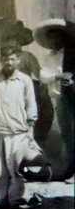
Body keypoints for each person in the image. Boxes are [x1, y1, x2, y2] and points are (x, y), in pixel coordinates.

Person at [0, 44, 38, 209]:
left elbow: (31, 105)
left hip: (19, 132)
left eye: (13, 59)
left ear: (18, 60)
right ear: (1, 60)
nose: (9, 62)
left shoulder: (25, 80)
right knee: (0, 170)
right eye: (6, 59)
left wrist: (31, 128)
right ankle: (2, 201)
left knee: (16, 169)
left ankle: (14, 202)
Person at [35, 18, 74, 180]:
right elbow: (43, 76)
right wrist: (57, 76)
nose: (54, 42)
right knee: (67, 135)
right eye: (51, 39)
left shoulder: (73, 53)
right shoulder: (49, 57)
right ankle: (71, 169)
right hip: (60, 100)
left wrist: (72, 81)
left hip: (74, 97)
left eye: (57, 38)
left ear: (63, 38)